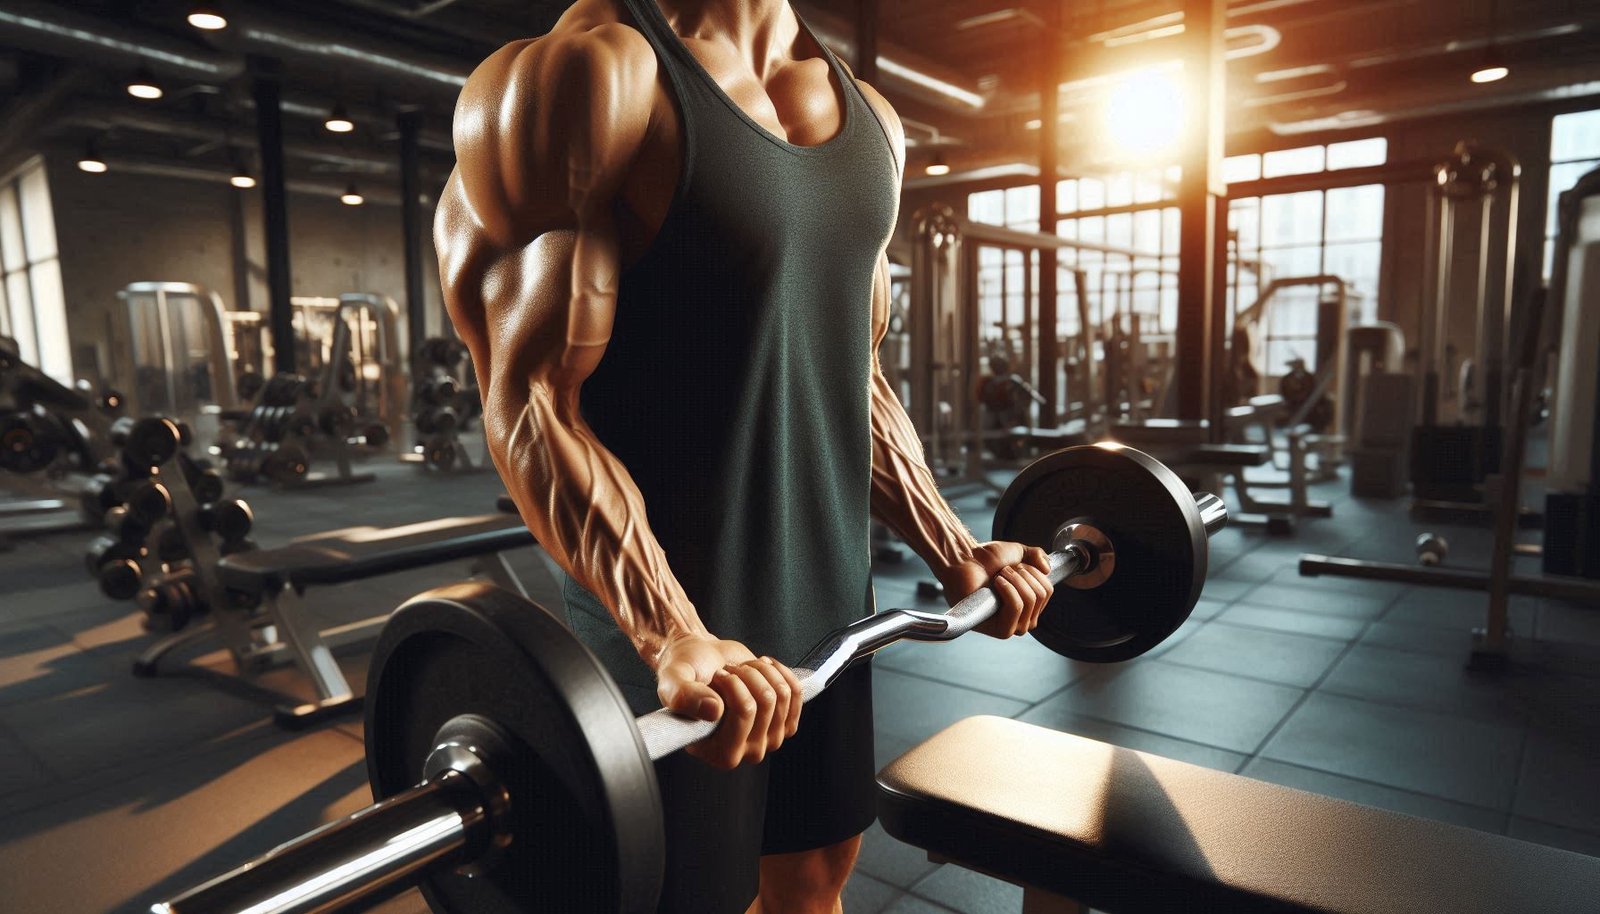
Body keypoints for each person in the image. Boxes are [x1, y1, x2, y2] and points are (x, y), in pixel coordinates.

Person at [435, 0, 1054, 910]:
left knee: (814, 881)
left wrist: (950, 545)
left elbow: (852, 375)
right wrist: (672, 631)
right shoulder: (591, 78)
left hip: (831, 611)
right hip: (674, 639)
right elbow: (532, 403)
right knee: (686, 896)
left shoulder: (870, 120)